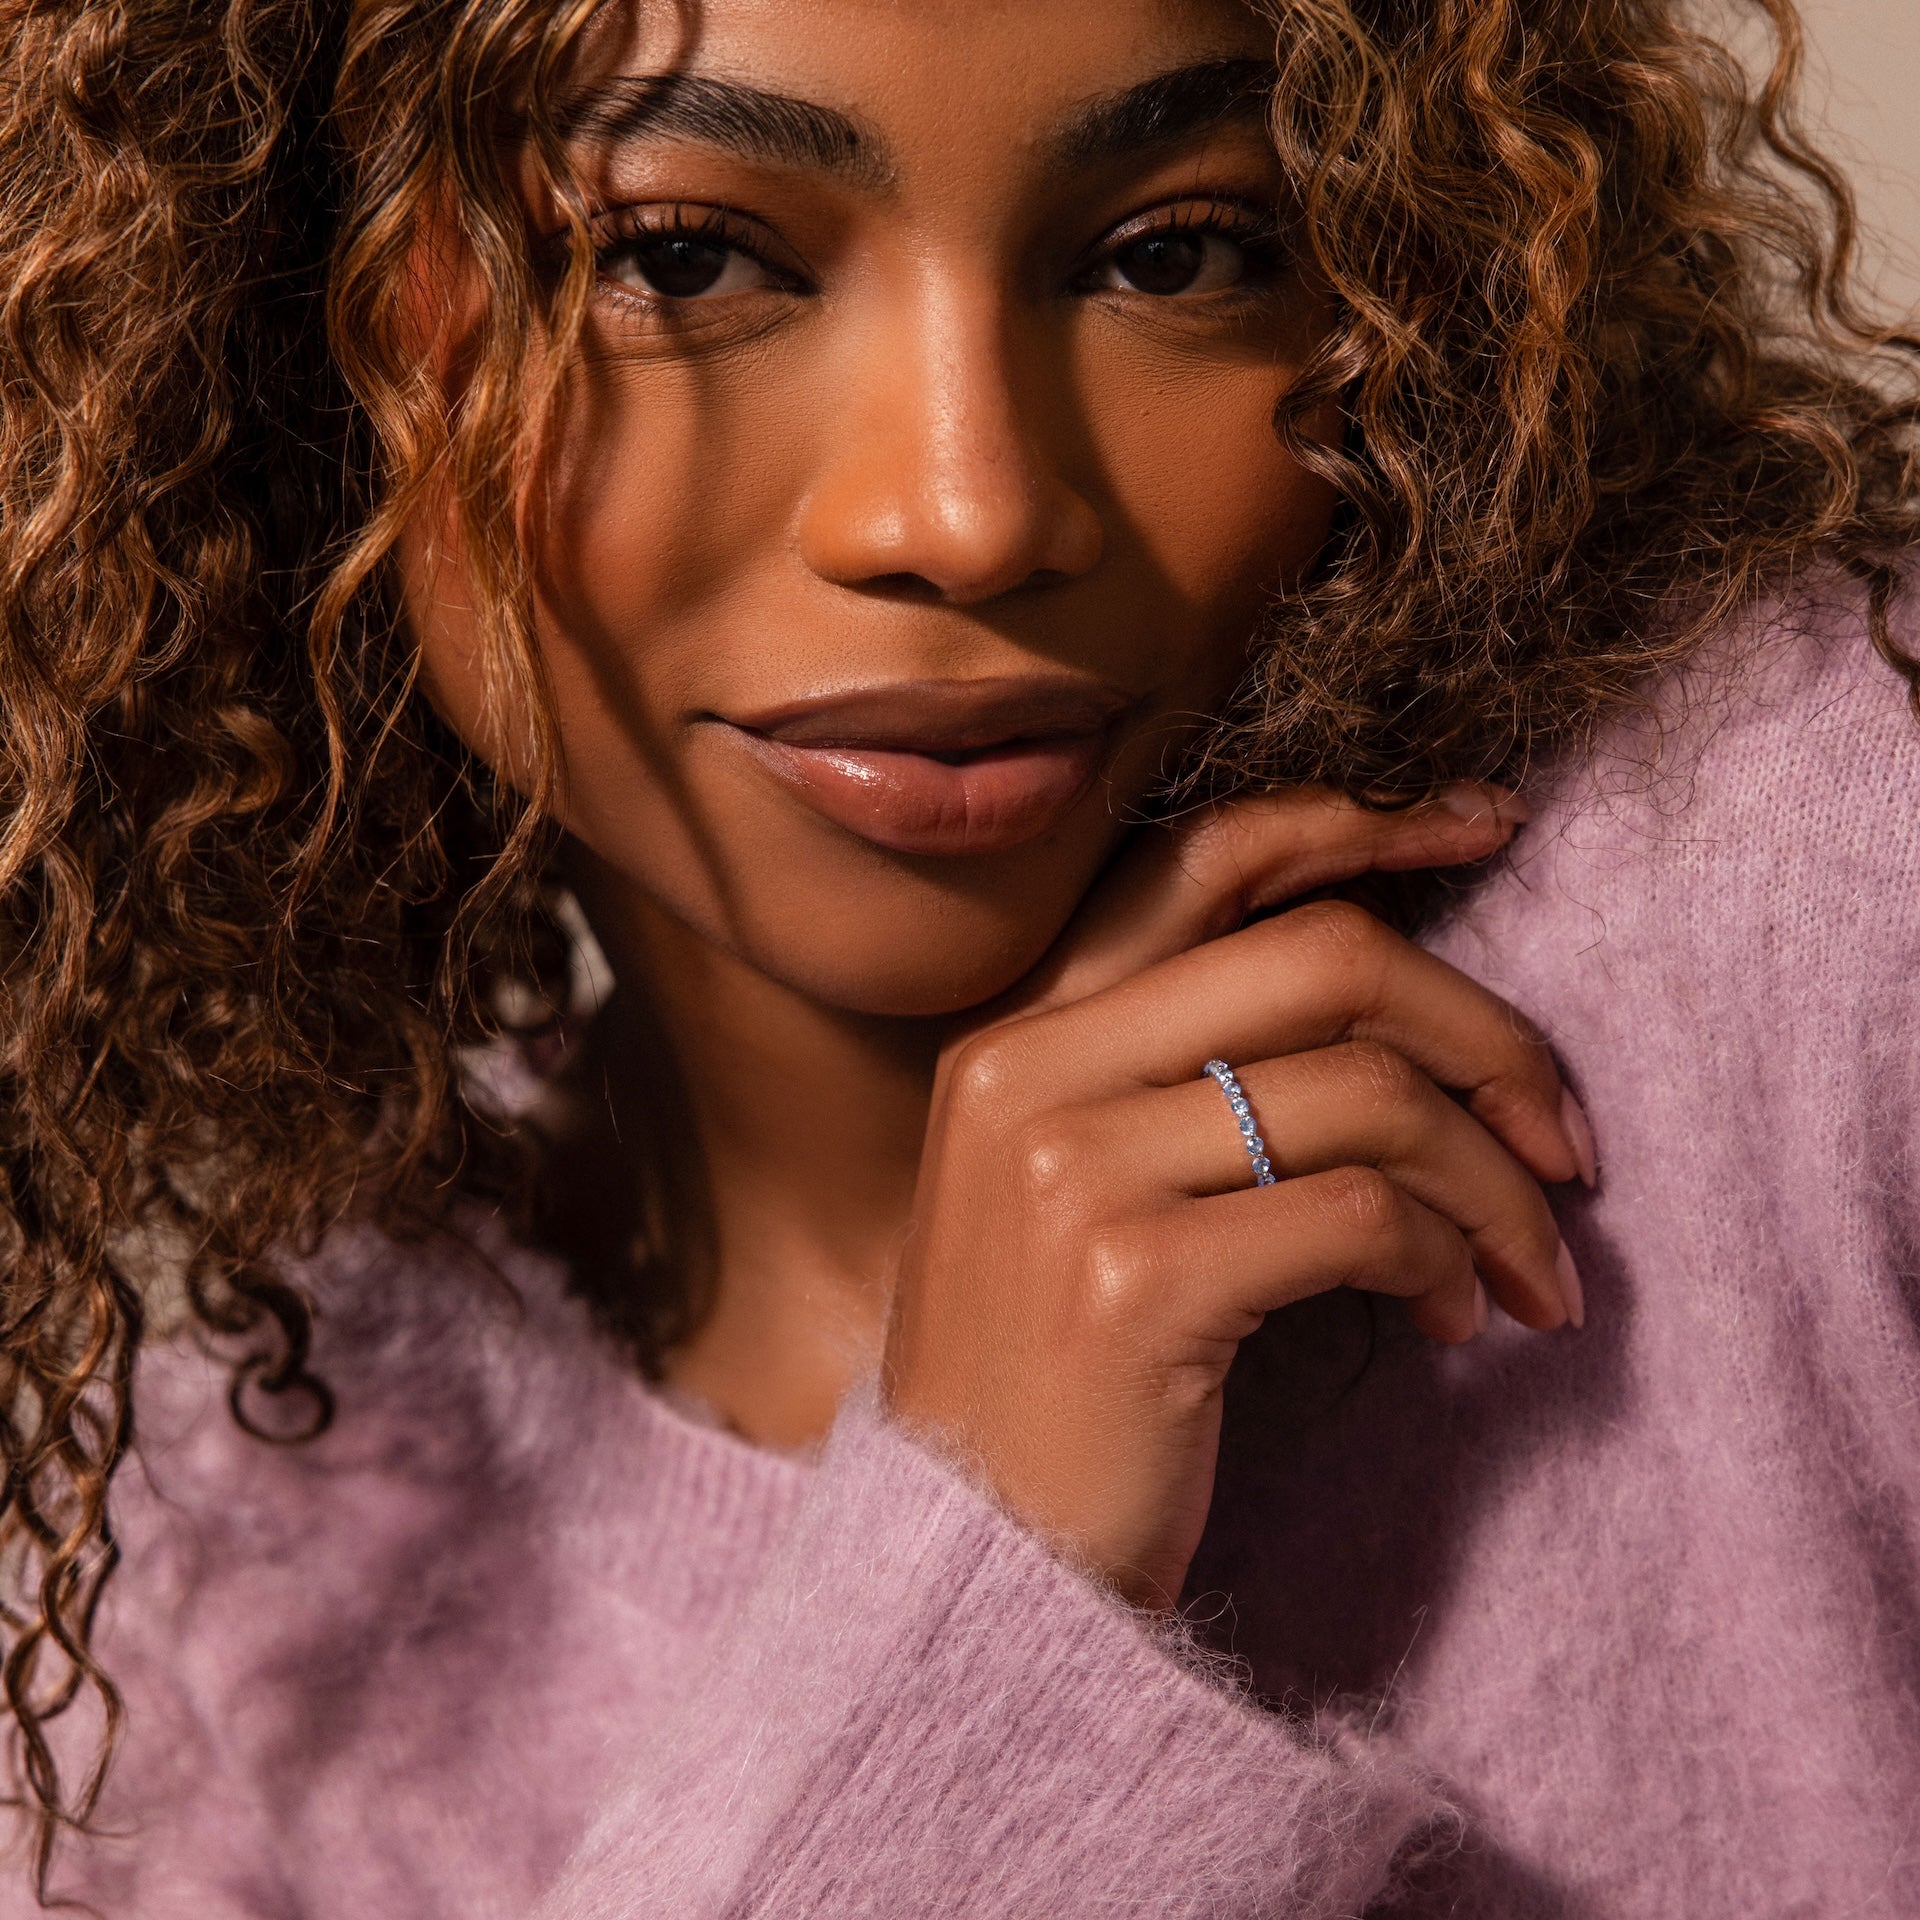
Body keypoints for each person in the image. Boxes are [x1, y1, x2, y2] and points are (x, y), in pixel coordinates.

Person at [0, 0, 1915, 1911]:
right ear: (283, 319)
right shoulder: (198, 1627)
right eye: (679, 258)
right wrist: (982, 1594)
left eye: (1172, 253)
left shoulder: (1822, 886)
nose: (968, 512)